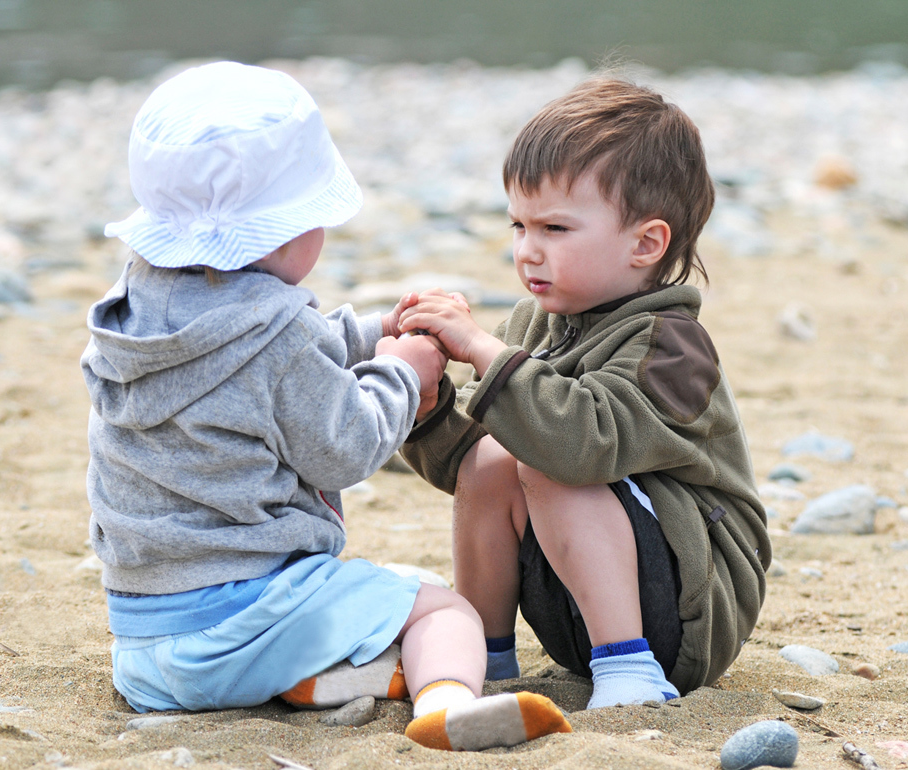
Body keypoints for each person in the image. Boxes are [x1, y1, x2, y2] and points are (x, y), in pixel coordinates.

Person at [81, 61, 571, 752]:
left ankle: (314, 680)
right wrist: (401, 373)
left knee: (358, 604)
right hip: (246, 622)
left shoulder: (135, 316)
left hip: (147, 647)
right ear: (286, 235)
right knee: (438, 606)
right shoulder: (275, 338)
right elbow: (344, 444)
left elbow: (272, 356)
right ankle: (448, 702)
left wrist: (375, 331)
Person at [397, 76, 771, 709]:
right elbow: (476, 478)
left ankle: (628, 672)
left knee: (549, 457)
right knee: (496, 459)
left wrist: (485, 351)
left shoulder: (672, 347)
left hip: (688, 610)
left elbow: (583, 445)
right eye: (518, 224)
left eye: (556, 229)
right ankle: (485, 656)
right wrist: (428, 403)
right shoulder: (533, 325)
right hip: (577, 599)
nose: (527, 251)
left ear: (645, 243)